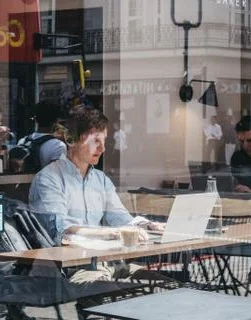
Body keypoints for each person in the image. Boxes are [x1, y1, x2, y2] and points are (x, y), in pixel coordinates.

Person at [28, 105, 164, 282]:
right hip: (72, 270)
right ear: (71, 139)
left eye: (104, 141)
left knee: (166, 286)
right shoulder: (48, 179)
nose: (102, 149)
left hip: (108, 264)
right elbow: (62, 230)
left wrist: (148, 225)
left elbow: (120, 217)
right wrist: (113, 233)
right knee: (129, 294)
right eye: (95, 141)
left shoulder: (100, 180)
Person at [17, 101, 67, 168]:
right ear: (56, 121)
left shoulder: (23, 141)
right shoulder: (58, 146)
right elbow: (58, 175)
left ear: (36, 120)